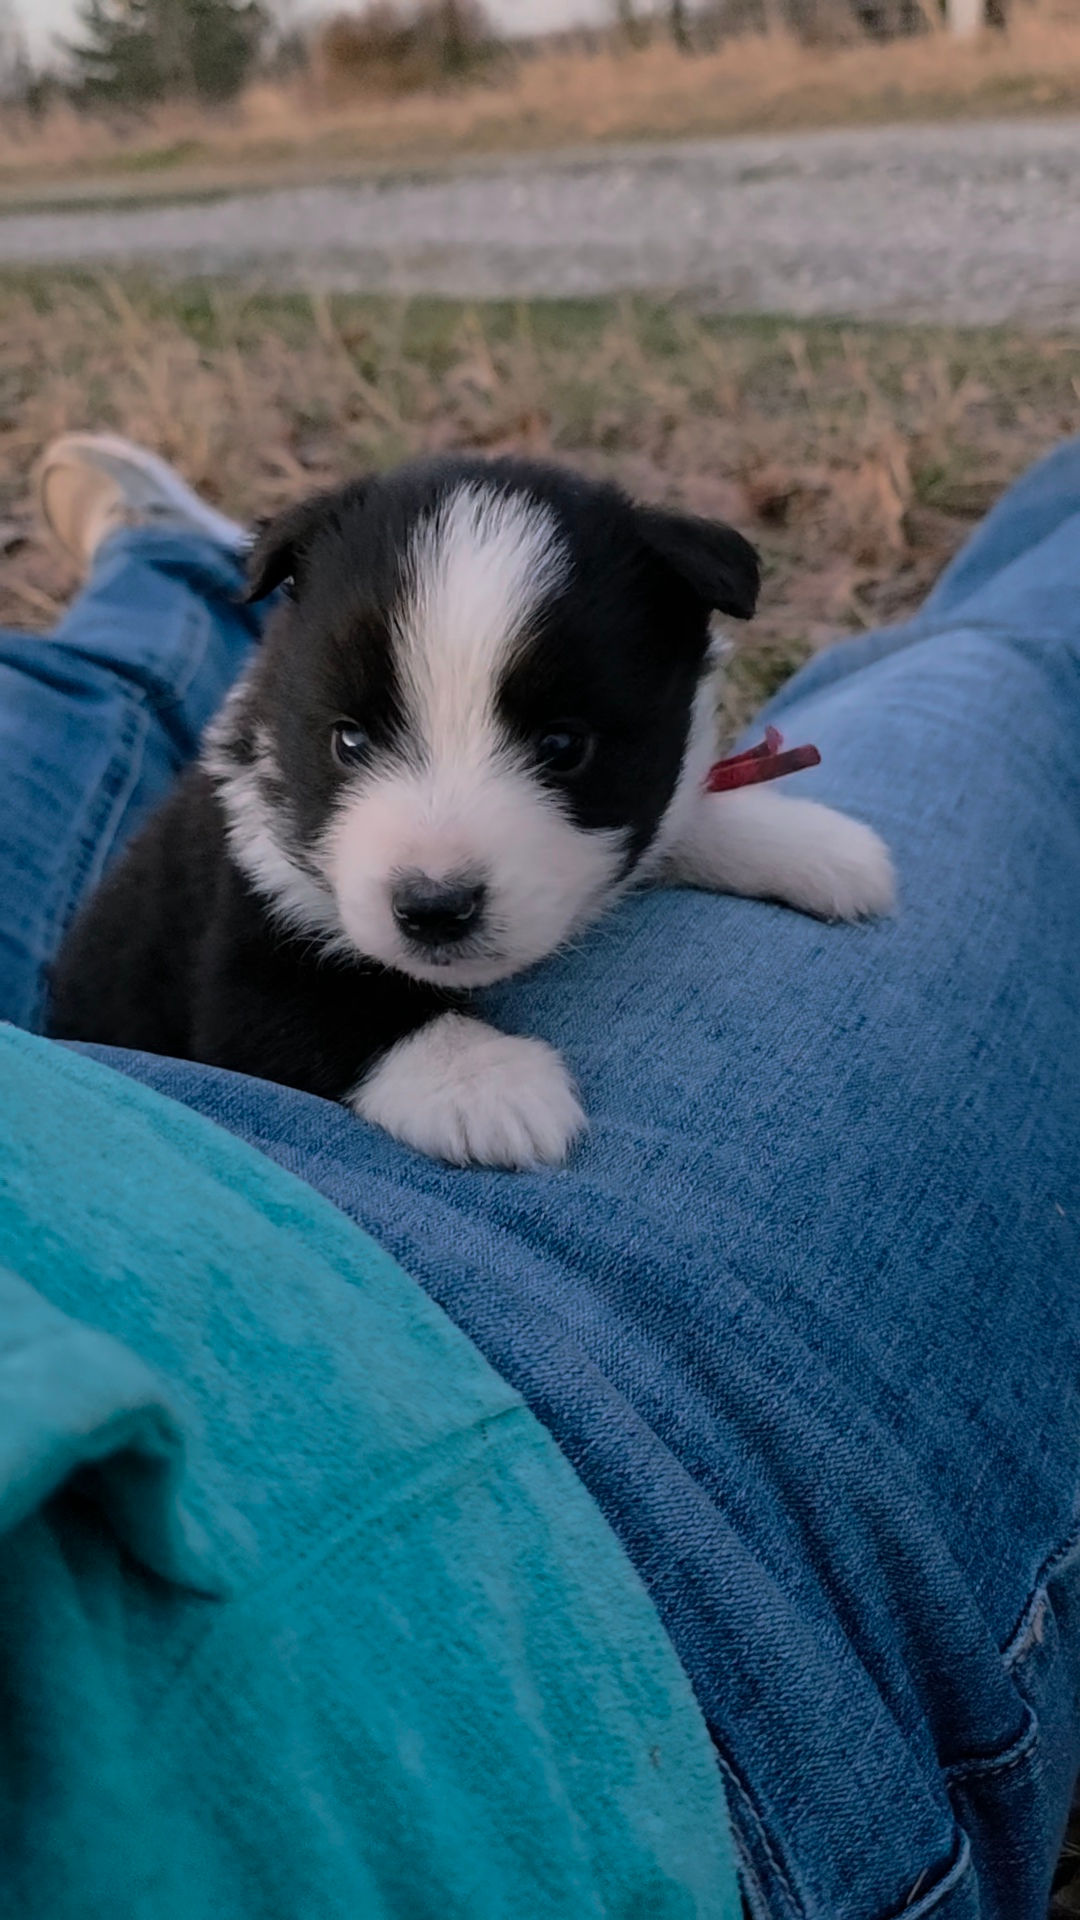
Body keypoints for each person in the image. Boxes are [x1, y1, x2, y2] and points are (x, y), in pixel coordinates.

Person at [1, 430, 1078, 1920]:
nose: (436, 865)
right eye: (359, 745)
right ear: (295, 686)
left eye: (555, 751)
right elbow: (253, 1015)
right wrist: (414, 1051)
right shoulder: (263, 860)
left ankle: (151, 588)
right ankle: (161, 587)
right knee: (995, 691)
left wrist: (690, 829)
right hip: (187, 1131)